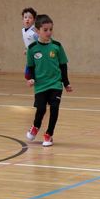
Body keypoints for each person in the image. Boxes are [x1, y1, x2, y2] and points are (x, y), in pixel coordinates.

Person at [24, 14, 73, 147]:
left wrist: (66, 83)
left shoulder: (57, 46)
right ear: (37, 31)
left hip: (55, 84)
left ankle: (49, 134)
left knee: (54, 108)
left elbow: (63, 66)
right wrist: (31, 79)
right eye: (45, 30)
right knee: (41, 109)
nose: (49, 32)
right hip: (40, 85)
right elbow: (30, 67)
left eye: (50, 29)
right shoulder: (32, 48)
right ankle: (35, 126)